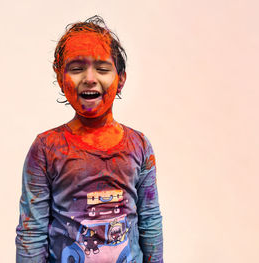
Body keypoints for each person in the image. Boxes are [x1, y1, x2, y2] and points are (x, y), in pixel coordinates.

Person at [15, 15, 164, 263]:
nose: (89, 78)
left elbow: (150, 221)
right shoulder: (46, 148)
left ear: (121, 79)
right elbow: (32, 231)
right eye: (76, 68)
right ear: (61, 78)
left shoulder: (139, 146)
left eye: (103, 68)